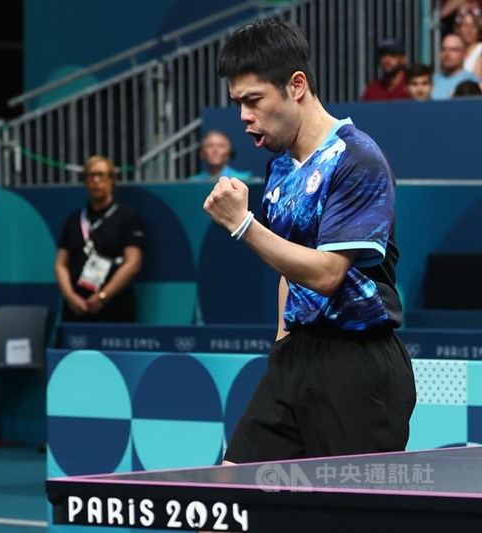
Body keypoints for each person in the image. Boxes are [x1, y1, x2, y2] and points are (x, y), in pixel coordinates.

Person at [205, 18, 416, 464]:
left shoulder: (357, 158)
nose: (243, 116)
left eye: (253, 100)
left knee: (349, 516)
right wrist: (282, 345)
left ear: (296, 85)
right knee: (223, 506)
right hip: (296, 356)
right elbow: (291, 269)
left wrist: (244, 225)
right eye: (237, 103)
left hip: (357, 365)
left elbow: (326, 273)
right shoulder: (280, 167)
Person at [55, 155, 144, 323]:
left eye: (101, 175)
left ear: (112, 179)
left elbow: (133, 263)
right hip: (77, 308)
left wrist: (103, 296)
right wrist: (70, 297)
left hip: (114, 308)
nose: (96, 180)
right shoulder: (74, 219)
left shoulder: (126, 217)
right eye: (91, 175)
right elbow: (60, 264)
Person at [432, 33, 480, 99]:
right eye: (443, 49)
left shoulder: (473, 82)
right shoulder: (430, 81)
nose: (447, 54)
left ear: (465, 54)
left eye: (453, 50)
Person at [455, 8, 482, 77]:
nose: (468, 30)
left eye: (473, 26)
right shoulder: (455, 49)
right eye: (465, 25)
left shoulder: (480, 49)